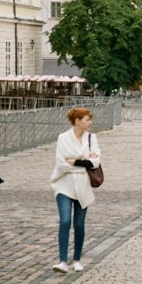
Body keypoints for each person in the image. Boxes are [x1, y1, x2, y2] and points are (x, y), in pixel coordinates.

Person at [50, 107, 100, 273]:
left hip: (83, 185)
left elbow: (96, 162)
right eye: (87, 119)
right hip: (64, 184)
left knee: (79, 224)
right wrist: (85, 161)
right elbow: (61, 164)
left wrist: (76, 162)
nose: (90, 123)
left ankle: (77, 259)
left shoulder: (92, 138)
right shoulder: (63, 138)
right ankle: (63, 261)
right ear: (77, 121)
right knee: (65, 220)